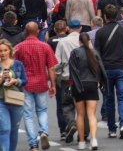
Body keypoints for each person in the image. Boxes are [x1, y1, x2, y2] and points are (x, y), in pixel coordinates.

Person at [14, 21, 58, 151]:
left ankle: (33, 144)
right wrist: (53, 84)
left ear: (25, 32)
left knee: (28, 114)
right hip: (41, 83)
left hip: (25, 84)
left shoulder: (19, 47)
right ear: (37, 32)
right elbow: (51, 67)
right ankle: (43, 132)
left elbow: (14, 65)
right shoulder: (45, 47)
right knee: (42, 110)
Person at [95, 4, 123, 139]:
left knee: (109, 99)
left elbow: (97, 54)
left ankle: (112, 128)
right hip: (121, 67)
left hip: (106, 69)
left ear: (104, 17)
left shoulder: (100, 32)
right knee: (122, 97)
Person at [69, 32, 107, 151]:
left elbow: (72, 71)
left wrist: (75, 85)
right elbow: (101, 69)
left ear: (79, 41)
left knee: (80, 114)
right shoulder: (94, 53)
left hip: (78, 85)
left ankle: (81, 141)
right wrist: (101, 83)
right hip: (92, 84)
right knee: (91, 114)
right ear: (89, 40)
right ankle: (94, 140)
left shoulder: (75, 53)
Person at [55, 19, 83, 142]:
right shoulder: (84, 40)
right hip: (83, 77)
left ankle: (71, 123)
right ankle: (85, 131)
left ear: (68, 28)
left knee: (67, 104)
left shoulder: (63, 42)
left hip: (68, 78)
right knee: (83, 106)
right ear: (80, 28)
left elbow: (58, 63)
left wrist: (58, 76)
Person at [0, 39, 28, 151]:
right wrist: (2, 78)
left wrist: (15, 81)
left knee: (14, 129)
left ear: (10, 51)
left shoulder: (18, 64)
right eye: (0, 51)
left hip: (16, 99)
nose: (2, 53)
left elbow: (25, 80)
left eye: (5, 50)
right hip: (1, 100)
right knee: (4, 129)